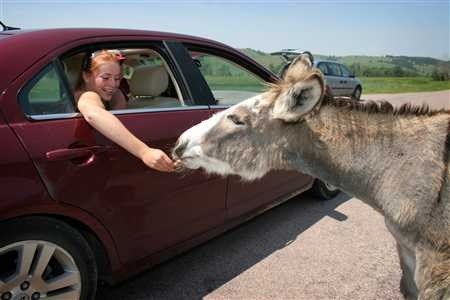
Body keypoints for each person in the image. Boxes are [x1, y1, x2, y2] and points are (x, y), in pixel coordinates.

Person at [74, 50, 175, 172]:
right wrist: (144, 151)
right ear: (86, 76)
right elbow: (93, 113)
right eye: (105, 77)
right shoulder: (88, 95)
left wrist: (116, 94)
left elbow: (119, 107)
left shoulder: (108, 93)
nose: (112, 84)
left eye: (117, 78)